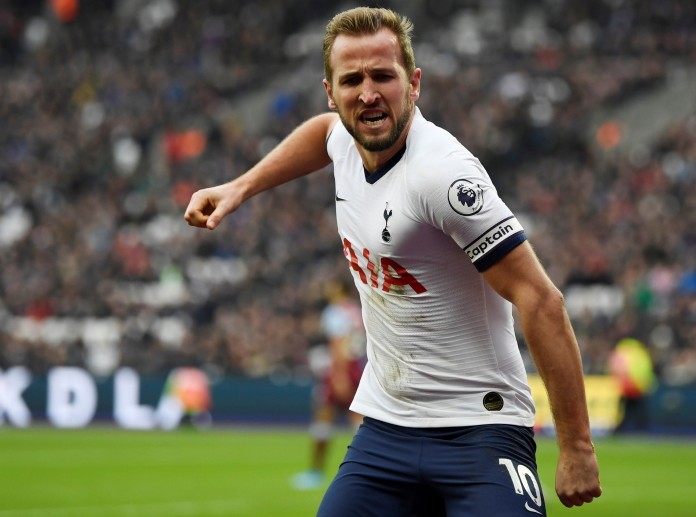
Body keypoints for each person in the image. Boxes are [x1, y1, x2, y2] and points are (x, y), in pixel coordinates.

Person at [184, 7, 601, 515]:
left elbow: (540, 299)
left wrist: (577, 446)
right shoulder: (344, 138)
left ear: (414, 83)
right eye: (351, 80)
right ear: (330, 92)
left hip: (480, 428)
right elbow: (322, 134)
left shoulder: (442, 177)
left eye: (383, 76)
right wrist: (240, 187)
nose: (368, 94)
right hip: (387, 427)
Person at [291, 281, 366, 490]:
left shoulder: (335, 311)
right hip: (358, 367)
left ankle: (315, 472)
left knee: (324, 416)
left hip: (340, 368)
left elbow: (338, 343)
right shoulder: (356, 309)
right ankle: (369, 467)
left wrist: (339, 375)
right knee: (359, 420)